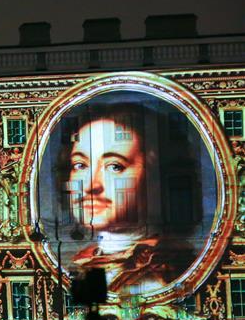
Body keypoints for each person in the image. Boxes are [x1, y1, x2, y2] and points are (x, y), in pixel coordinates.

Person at [61, 103, 195, 295]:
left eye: (115, 166)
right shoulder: (82, 260)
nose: (91, 185)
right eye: (80, 165)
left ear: (157, 179)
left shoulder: (165, 270)